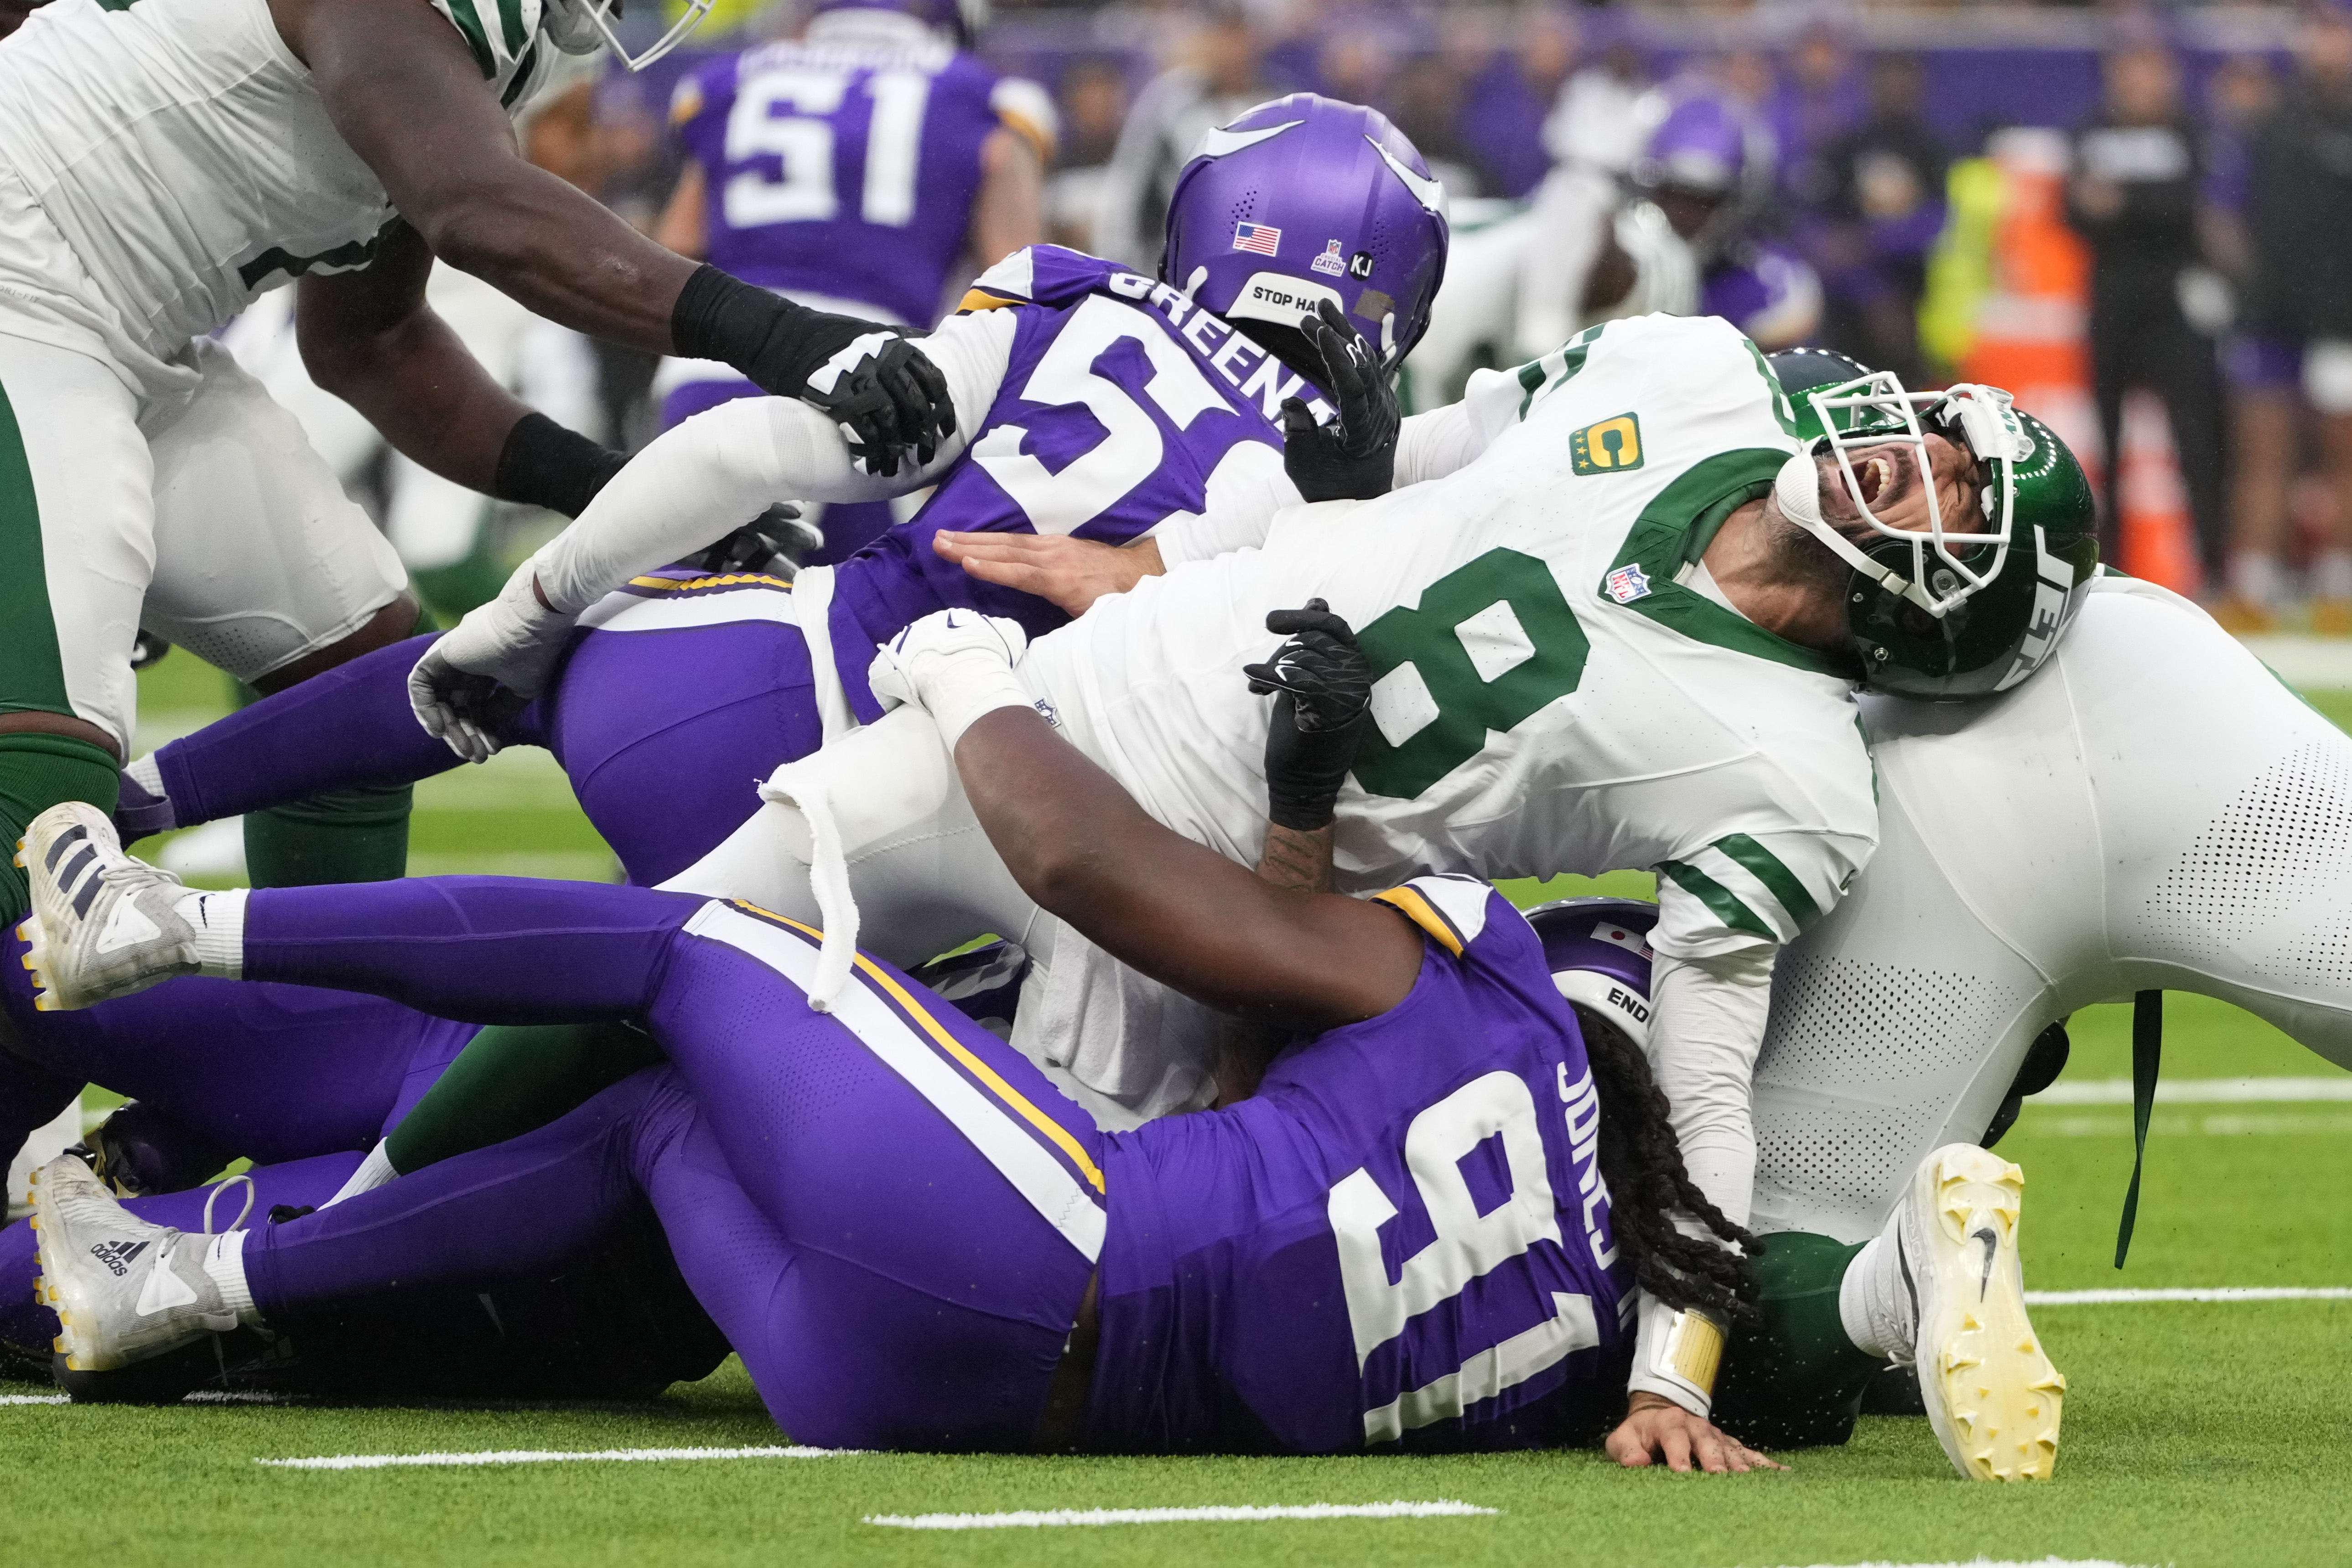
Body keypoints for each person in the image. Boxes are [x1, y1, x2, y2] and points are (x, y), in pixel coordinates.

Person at [19, 604, 2047, 1475]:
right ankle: (192, 1279)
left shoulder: (1486, 967)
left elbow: (1090, 871)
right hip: (934, 1390)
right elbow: (1284, 1102)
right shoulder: (1607, 1309)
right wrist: (1293, 832)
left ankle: (162, 922)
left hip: (1034, 1249)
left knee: (689, 950)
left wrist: (973, 682)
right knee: (654, 1130)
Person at [0, 0, 953, 917]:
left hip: (128, 336)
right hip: (25, 288)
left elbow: (375, 345)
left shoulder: (480, 56)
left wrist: (618, 490)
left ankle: (304, 1043)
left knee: (352, 673)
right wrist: (796, 340)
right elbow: (477, 211)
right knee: (38, 795)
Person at [649, 0, 1059, 564]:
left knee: (672, 610)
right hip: (867, 380)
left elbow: (676, 244)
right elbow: (1017, 278)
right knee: (839, 631)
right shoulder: (985, 100)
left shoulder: (737, 79)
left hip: (711, 363)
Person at [2066, 42, 2228, 582]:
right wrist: (2143, 207)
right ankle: (2109, 568)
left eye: (2147, 68)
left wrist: (2125, 205)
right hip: (2111, 303)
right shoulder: (2091, 129)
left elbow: (2190, 207)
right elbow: (2072, 209)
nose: (2137, 82)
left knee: (2196, 440)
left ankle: (2212, 568)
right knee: (2105, 446)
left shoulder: (2190, 129)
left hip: (2174, 305)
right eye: (2126, 69)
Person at [2227, 5, 2352, 633]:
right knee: (2263, 449)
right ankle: (2254, 581)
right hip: (2272, 315)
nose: (2326, 43)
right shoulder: (2273, 120)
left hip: (2342, 319)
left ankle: (2337, 583)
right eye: (2318, 30)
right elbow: (2233, 216)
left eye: (2337, 30)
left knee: (2343, 453)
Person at [1091, 1, 1280, 270]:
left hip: (1254, 258)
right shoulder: (1168, 103)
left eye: (1240, 34)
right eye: (1223, 34)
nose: (1233, 49)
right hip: (1172, 263)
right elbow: (1128, 189)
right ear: (1206, 39)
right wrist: (1116, 266)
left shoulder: (1279, 107)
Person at [1808, 55, 1946, 386]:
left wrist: (1870, 242)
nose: (1895, 91)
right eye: (1888, 81)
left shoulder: (1930, 149)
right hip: (1847, 304)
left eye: (1904, 83)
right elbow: (1821, 229)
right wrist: (1871, 291)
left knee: (1901, 401)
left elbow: (1933, 223)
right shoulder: (1848, 144)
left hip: (1908, 298)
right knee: (1842, 394)